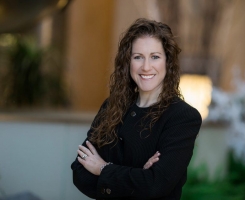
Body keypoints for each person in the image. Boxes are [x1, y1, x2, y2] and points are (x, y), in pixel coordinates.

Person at [71, 18, 202, 200]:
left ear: (168, 62)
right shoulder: (111, 106)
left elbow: (156, 185)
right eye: (138, 57)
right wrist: (138, 175)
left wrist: (102, 169)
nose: (146, 67)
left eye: (155, 57)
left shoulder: (182, 117)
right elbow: (79, 173)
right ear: (128, 62)